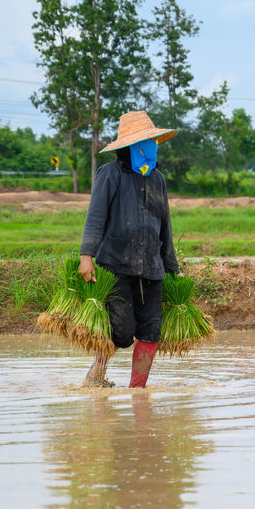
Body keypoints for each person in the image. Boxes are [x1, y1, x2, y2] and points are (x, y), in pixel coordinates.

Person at [78, 110, 180, 388]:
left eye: (152, 143)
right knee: (121, 331)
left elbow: (165, 224)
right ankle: (96, 374)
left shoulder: (157, 179)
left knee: (150, 332)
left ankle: (138, 392)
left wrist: (172, 267)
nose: (149, 149)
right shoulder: (109, 174)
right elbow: (95, 216)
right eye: (143, 144)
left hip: (152, 268)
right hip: (116, 265)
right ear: (129, 147)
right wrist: (86, 256)